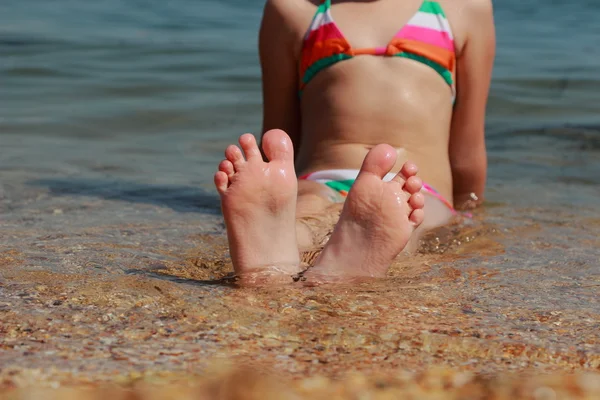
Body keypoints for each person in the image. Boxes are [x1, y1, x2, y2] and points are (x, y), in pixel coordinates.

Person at [214, 0, 495, 284]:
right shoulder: (292, 8)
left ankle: (282, 252)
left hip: (380, 186)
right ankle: (325, 259)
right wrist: (468, 216)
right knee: (407, 224)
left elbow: (277, 138)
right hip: (401, 187)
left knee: (313, 216)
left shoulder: (466, 7)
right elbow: (467, 154)